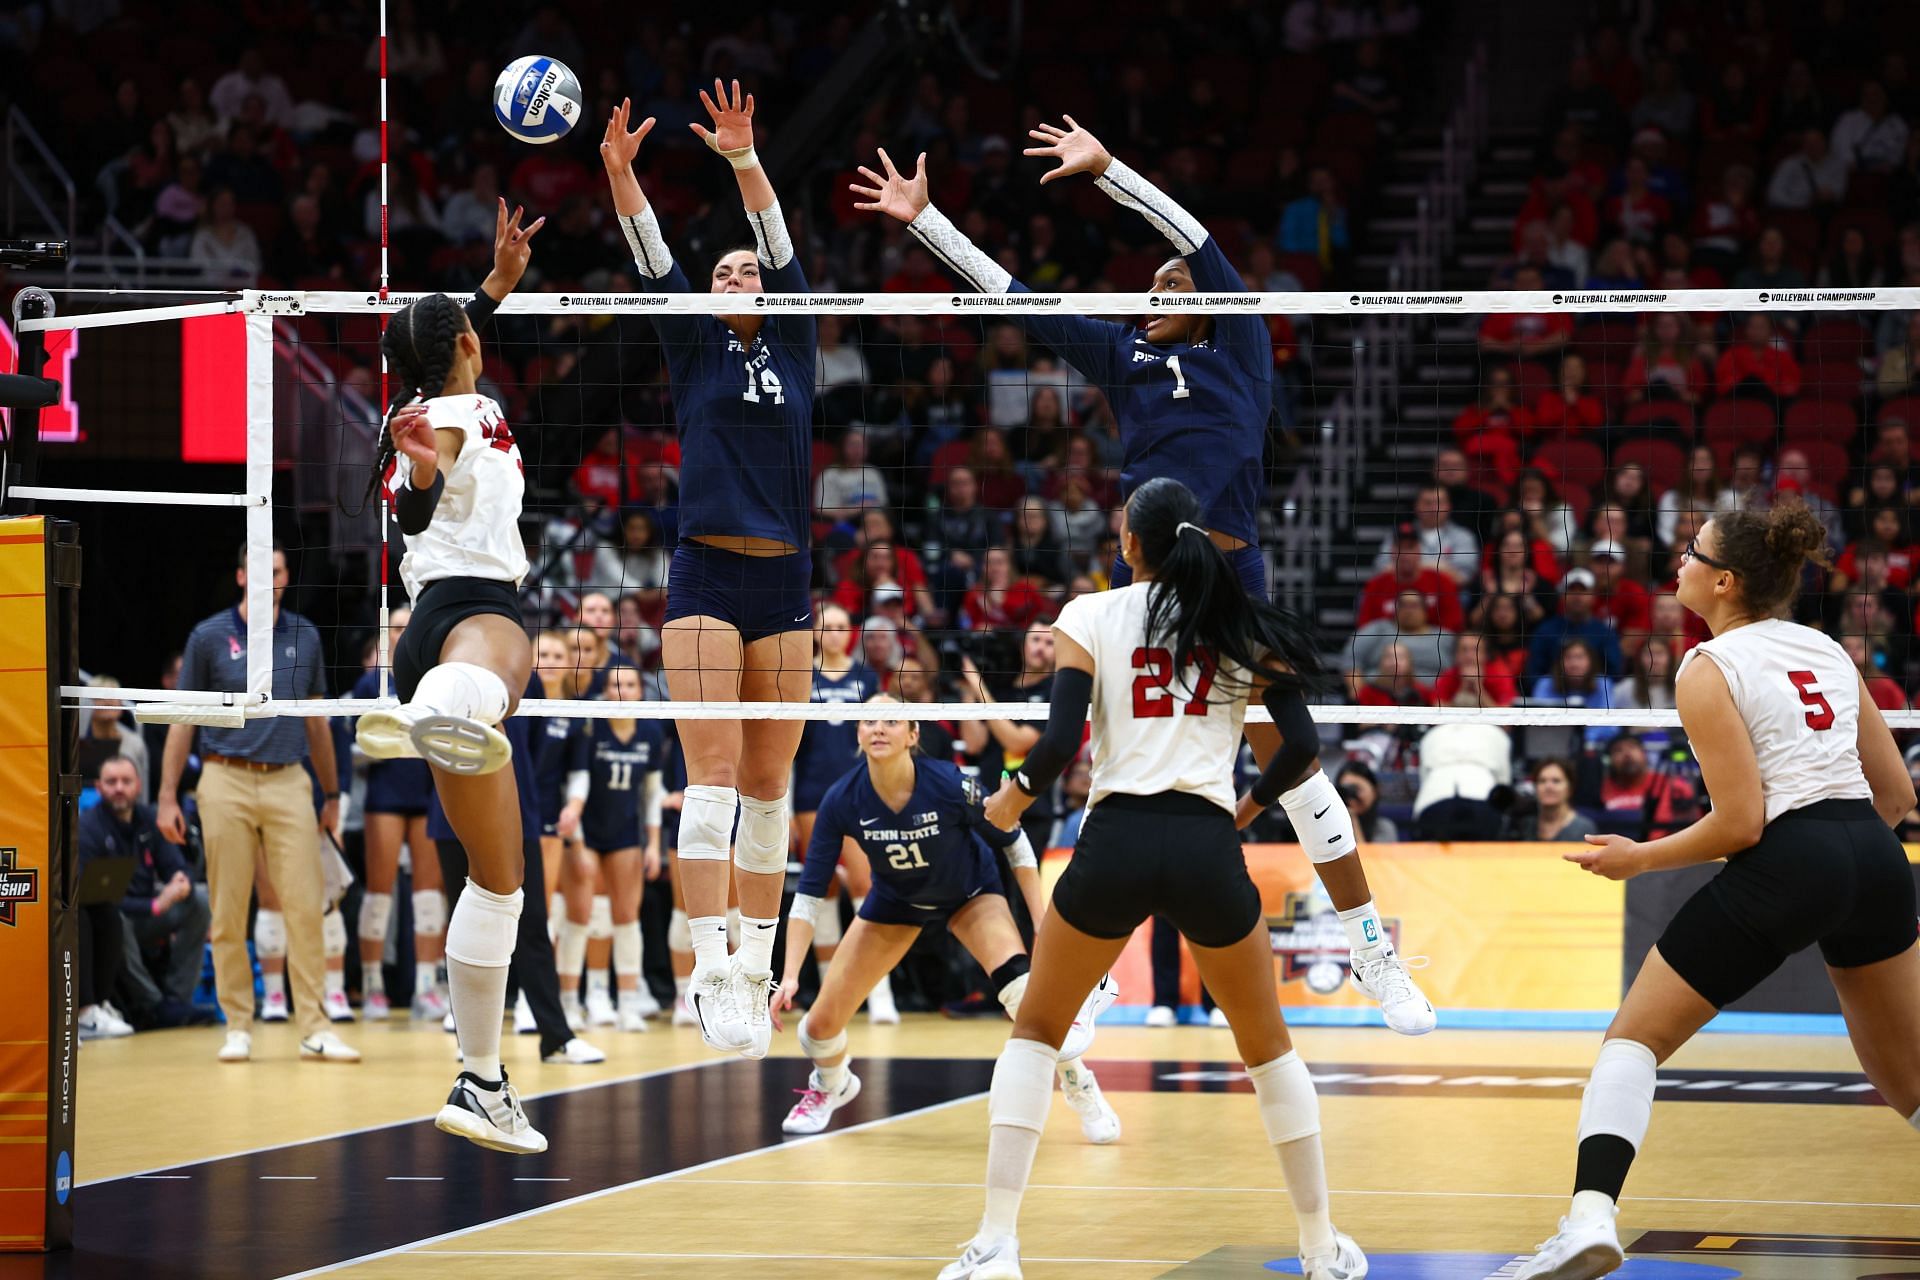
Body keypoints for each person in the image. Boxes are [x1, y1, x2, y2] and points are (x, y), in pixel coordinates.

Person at [857, 121, 1431, 1033]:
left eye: (1170, 284)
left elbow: (1195, 237)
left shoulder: (1239, 350)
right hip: (1151, 594)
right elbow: (1016, 301)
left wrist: (1110, 169)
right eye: (1149, 283)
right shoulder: (1127, 364)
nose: (1154, 292)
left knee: (1301, 760)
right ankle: (1081, 972)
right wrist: (930, 224)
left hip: (1236, 582)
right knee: (1115, 766)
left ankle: (1371, 949)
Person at [951, 478, 1368, 1280]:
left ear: (1130, 542)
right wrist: (1241, 815)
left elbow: (1059, 743)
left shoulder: (1089, 615)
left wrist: (1007, 805)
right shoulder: (1236, 621)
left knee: (1037, 1031)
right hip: (1206, 845)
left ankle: (994, 1244)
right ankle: (1321, 1249)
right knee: (1269, 1050)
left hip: (1115, 841)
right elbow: (1300, 749)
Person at [1515, 499, 1920, 1278]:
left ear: (1725, 582)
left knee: (1633, 1040)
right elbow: (1897, 797)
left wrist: (1639, 858)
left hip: (1795, 853)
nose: (1679, 563)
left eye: (1692, 552)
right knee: (1908, 1082)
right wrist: (1839, 855)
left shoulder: (1708, 667)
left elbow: (1740, 825)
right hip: (1875, 857)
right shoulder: (1830, 649)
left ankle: (1589, 1221)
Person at [602, 83, 816, 1056]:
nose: (734, 276)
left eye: (745, 270)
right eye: (721, 270)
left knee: (773, 793)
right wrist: (620, 174)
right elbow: (654, 255)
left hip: (786, 587)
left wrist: (743, 158)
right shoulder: (694, 343)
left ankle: (757, 967)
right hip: (705, 579)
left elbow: (775, 235)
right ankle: (708, 969)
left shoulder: (800, 338)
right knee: (716, 780)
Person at [350, 198, 548, 1154]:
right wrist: (428, 474)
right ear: (467, 342)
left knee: (499, 884)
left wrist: (496, 286)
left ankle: (480, 1080)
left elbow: (440, 379)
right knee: (503, 678)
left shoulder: (416, 407)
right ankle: (432, 708)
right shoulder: (456, 415)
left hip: (425, 624)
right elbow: (435, 483)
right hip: (478, 613)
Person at [775, 694, 1120, 1144]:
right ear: (857, 735)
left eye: (891, 721)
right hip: (896, 903)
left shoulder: (948, 784)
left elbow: (1013, 841)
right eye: (868, 721)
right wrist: (789, 975)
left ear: (913, 735)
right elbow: (809, 893)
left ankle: (1080, 1086)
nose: (878, 728)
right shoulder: (841, 799)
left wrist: (1042, 924)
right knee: (816, 1031)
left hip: (969, 894)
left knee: (1023, 997)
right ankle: (833, 1083)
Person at [157, 541, 357, 1066]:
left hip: (289, 780)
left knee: (306, 907)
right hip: (224, 780)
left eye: (279, 570)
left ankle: (314, 1026)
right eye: (261, 571)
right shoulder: (208, 637)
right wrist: (165, 796)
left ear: (287, 577)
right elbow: (183, 718)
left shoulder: (306, 635)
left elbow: (318, 723)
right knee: (227, 910)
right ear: (242, 576)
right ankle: (238, 1024)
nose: (271, 578)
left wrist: (332, 793)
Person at [348, 606, 448, 1022]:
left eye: (411, 626)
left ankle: (426, 987)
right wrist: (387, 743)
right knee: (379, 891)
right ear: (386, 635)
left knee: (428, 895)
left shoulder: (438, 681)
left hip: (426, 795)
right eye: (397, 626)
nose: (404, 632)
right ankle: (373, 987)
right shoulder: (372, 683)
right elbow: (352, 748)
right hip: (386, 796)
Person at [554, 663, 665, 1033]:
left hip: (624, 834)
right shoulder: (589, 725)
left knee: (626, 917)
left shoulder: (649, 730)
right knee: (580, 916)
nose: (622, 691)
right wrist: (577, 843)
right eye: (615, 684)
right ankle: (570, 1003)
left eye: (630, 684)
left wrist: (652, 844)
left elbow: (652, 792)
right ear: (604, 690)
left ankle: (629, 1004)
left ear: (641, 690)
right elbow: (574, 783)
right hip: (587, 832)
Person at [789, 605, 884, 1015]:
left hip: (859, 794)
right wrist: (786, 810)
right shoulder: (799, 676)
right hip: (811, 795)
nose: (834, 633)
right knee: (821, 887)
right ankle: (831, 989)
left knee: (866, 884)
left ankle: (879, 993)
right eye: (827, 626)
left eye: (842, 626)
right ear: (814, 632)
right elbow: (788, 750)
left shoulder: (865, 678)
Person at [81, 756, 213, 1028]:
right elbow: (92, 896)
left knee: (199, 899)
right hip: (114, 918)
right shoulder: (89, 827)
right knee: (114, 918)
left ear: (138, 785)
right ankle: (153, 1005)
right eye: (111, 782)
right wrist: (154, 906)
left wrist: (181, 880)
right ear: (98, 786)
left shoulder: (148, 818)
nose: (119, 788)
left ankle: (178, 1000)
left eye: (126, 781)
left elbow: (177, 865)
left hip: (151, 912)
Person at [1518, 757, 1597, 843]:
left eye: (1556, 781)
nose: (1548, 787)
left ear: (1570, 788)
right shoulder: (1525, 825)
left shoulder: (1583, 829)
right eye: (1542, 781)